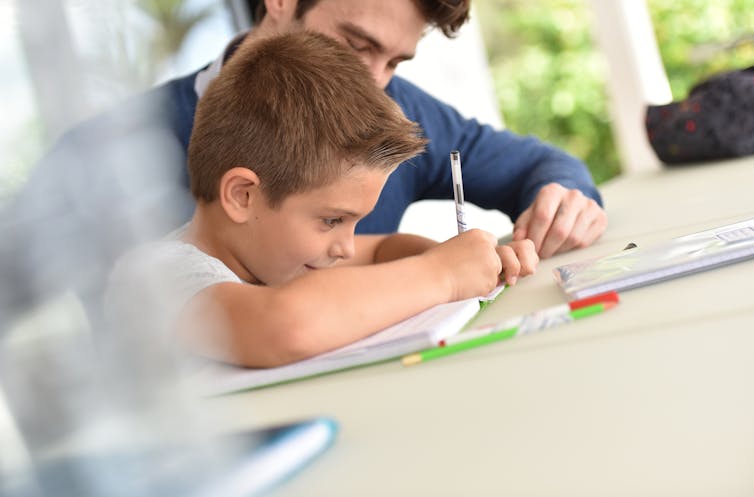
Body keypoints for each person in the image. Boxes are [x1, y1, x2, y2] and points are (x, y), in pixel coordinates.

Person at [0, 0, 602, 330]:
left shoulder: (395, 114)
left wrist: (556, 200)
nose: (375, 84)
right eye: (358, 44)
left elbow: (539, 165)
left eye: (395, 61)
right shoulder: (101, 160)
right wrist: (441, 275)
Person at [104, 31, 539, 367]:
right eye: (332, 220)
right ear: (243, 196)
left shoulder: (272, 257)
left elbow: (384, 250)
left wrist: (467, 262)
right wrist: (441, 275)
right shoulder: (156, 276)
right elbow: (284, 327)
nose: (346, 246)